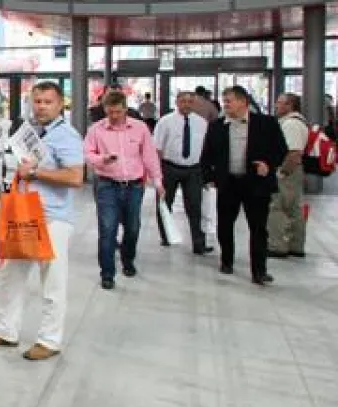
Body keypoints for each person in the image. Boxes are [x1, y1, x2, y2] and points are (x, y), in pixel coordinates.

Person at [0, 81, 84, 360]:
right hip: (26, 214)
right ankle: (6, 330)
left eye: (47, 102)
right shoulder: (31, 131)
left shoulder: (66, 136)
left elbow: (75, 177)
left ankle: (50, 340)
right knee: (12, 276)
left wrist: (37, 173)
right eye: (37, 101)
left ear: (60, 104)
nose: (41, 107)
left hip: (52, 219)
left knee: (52, 280)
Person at [199, 85, 288, 285]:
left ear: (243, 102)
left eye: (229, 100)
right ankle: (227, 261)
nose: (225, 104)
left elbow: (282, 150)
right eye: (225, 100)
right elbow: (206, 155)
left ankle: (259, 270)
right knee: (225, 224)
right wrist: (209, 177)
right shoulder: (217, 126)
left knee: (258, 228)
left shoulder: (266, 124)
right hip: (228, 183)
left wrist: (268, 164)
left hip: (256, 183)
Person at [84, 91, 163, 289]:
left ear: (126, 109)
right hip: (107, 185)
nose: (114, 116)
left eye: (118, 112)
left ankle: (128, 260)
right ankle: (107, 273)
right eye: (110, 112)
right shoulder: (96, 130)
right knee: (107, 229)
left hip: (134, 185)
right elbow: (87, 153)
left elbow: (150, 157)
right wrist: (102, 159)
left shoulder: (140, 128)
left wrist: (158, 181)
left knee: (133, 227)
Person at [153, 91, 212, 255]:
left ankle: (199, 243)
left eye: (190, 102)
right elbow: (157, 148)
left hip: (193, 169)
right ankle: (167, 236)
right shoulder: (165, 122)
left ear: (194, 104)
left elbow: (206, 148)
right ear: (177, 102)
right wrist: (157, 172)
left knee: (195, 206)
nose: (187, 104)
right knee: (165, 203)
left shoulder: (201, 123)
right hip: (170, 167)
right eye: (183, 101)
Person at [267, 93, 308, 259]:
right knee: (294, 208)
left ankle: (277, 245)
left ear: (289, 105)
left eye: (279, 103)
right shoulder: (299, 122)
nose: (276, 105)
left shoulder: (291, 124)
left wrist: (282, 172)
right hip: (294, 171)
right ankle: (296, 244)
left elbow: (293, 153)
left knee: (276, 206)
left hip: (288, 170)